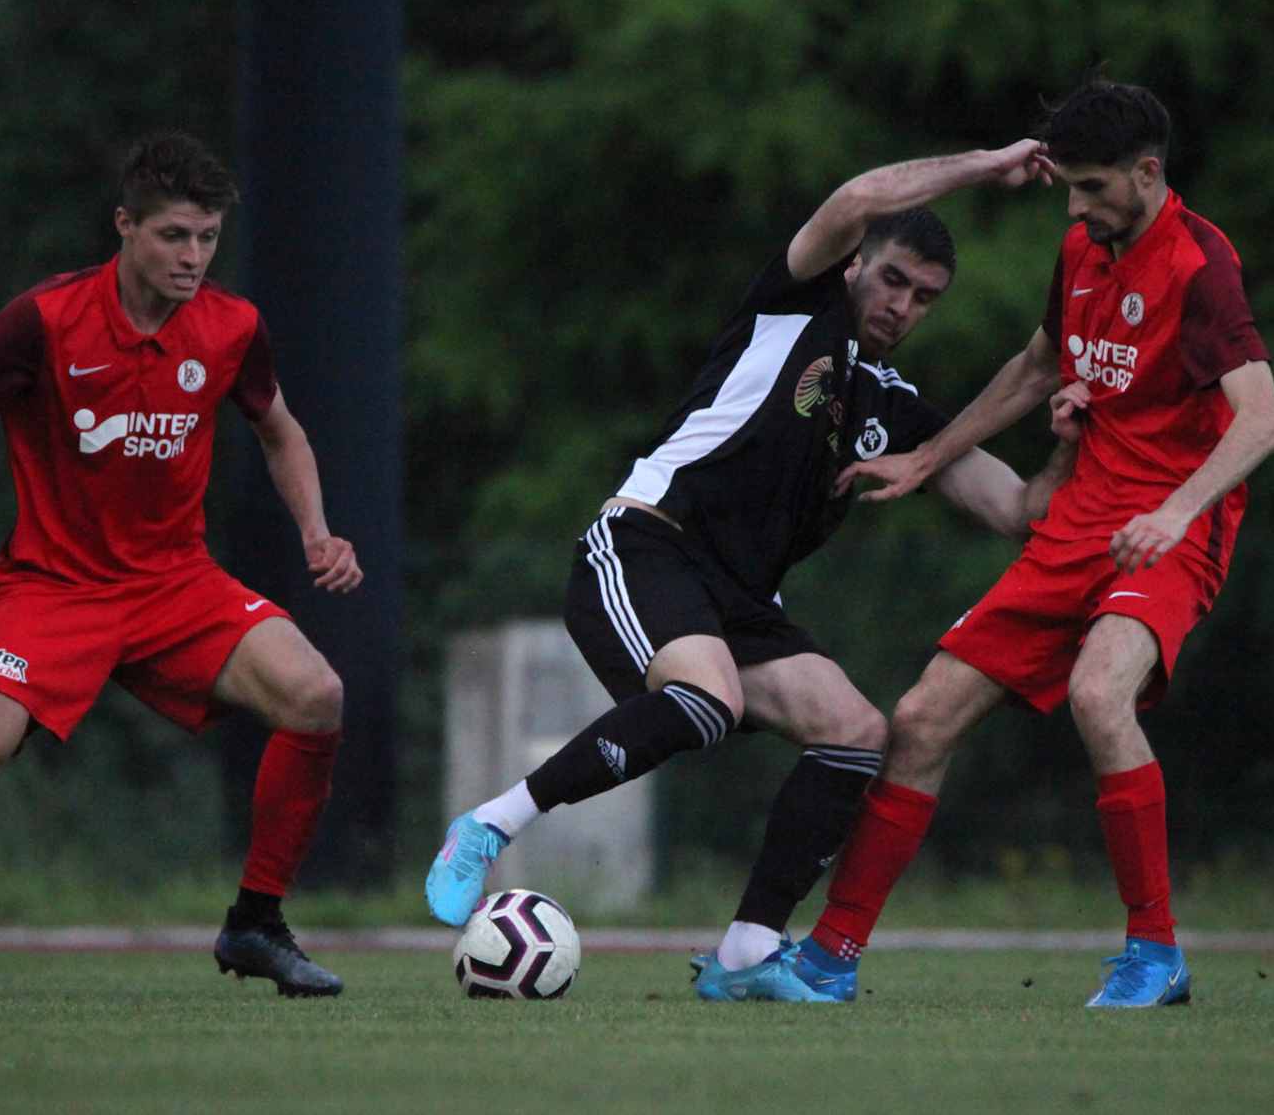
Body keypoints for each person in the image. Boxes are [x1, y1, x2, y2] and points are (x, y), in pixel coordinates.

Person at [426, 140, 1077, 1002]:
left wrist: (1070, 440)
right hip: (647, 543)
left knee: (856, 729)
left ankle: (744, 955)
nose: (902, 305)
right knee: (711, 698)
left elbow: (1020, 510)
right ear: (857, 265)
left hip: (740, 601)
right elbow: (858, 194)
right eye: (892, 280)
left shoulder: (893, 408)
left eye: (924, 297)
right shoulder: (795, 299)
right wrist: (988, 165)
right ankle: (488, 824)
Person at [0, 132, 363, 1001]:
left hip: (175, 584)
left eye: (208, 237)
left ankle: (256, 925)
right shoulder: (45, 319)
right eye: (173, 235)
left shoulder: (232, 326)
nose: (193, 257)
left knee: (316, 694)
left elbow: (279, 430)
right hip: (53, 588)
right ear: (125, 226)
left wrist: (317, 533)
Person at [790, 81, 1274, 1007]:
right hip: (1078, 523)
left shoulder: (1200, 264)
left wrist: (1176, 514)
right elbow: (1035, 366)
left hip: (1165, 532)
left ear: (1147, 174)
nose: (1074, 207)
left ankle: (1155, 955)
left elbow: (1263, 421)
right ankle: (828, 958)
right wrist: (927, 458)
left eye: (1092, 187)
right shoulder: (1082, 250)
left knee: (1100, 695)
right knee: (920, 719)